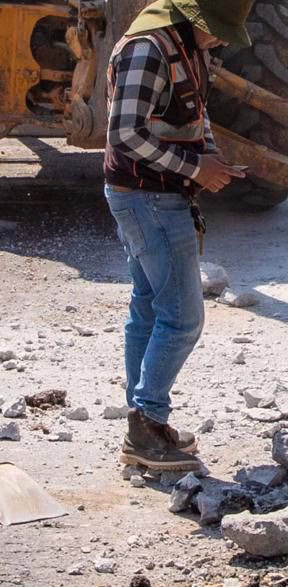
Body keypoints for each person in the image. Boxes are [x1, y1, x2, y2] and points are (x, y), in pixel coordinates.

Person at [104, 0, 252, 471]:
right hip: (148, 197)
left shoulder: (185, 46)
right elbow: (124, 133)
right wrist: (194, 168)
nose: (224, 40)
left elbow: (195, 112)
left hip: (154, 193)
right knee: (184, 318)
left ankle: (142, 423)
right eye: (219, 30)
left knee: (148, 306)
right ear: (194, 18)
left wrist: (210, 156)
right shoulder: (149, 49)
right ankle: (147, 422)